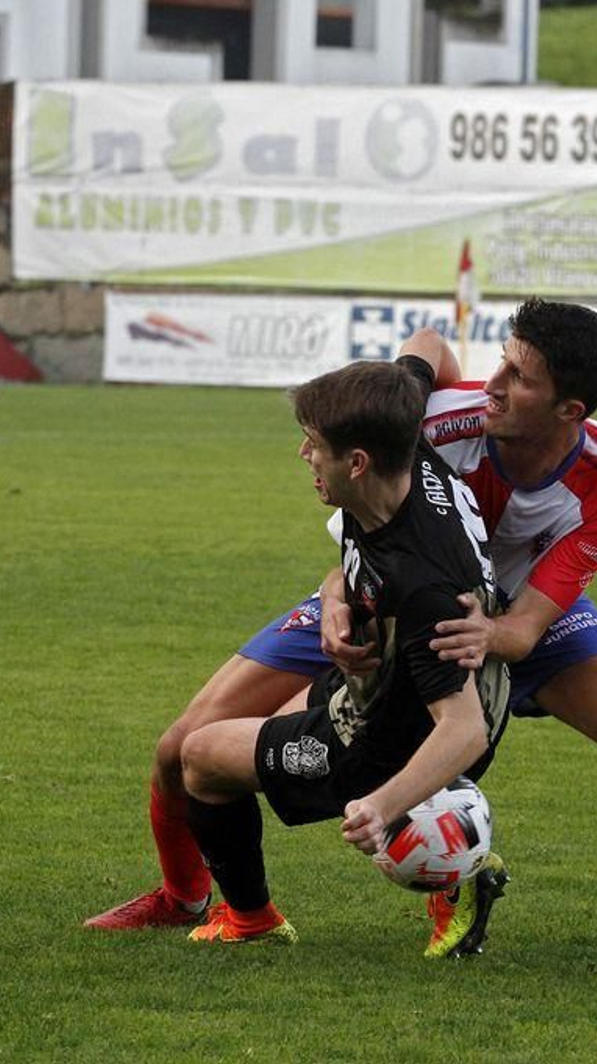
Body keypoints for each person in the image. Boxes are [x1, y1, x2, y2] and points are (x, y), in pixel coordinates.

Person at [90, 301, 597, 980]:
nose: (495, 385)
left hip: (516, 616)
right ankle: (184, 896)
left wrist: (440, 635)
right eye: (501, 361)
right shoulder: (435, 421)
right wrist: (338, 603)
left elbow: (524, 629)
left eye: (520, 377)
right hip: (403, 603)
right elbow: (421, 364)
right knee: (181, 745)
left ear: (572, 410)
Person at [174, 345, 511, 945]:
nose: (304, 455)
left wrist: (379, 806)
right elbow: (429, 344)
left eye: (314, 446)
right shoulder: (405, 450)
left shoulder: (424, 587)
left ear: (356, 462)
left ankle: (254, 918)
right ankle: (442, 835)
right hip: (383, 686)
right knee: (257, 733)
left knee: (200, 756)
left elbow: (463, 730)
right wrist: (336, 596)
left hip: (385, 736)